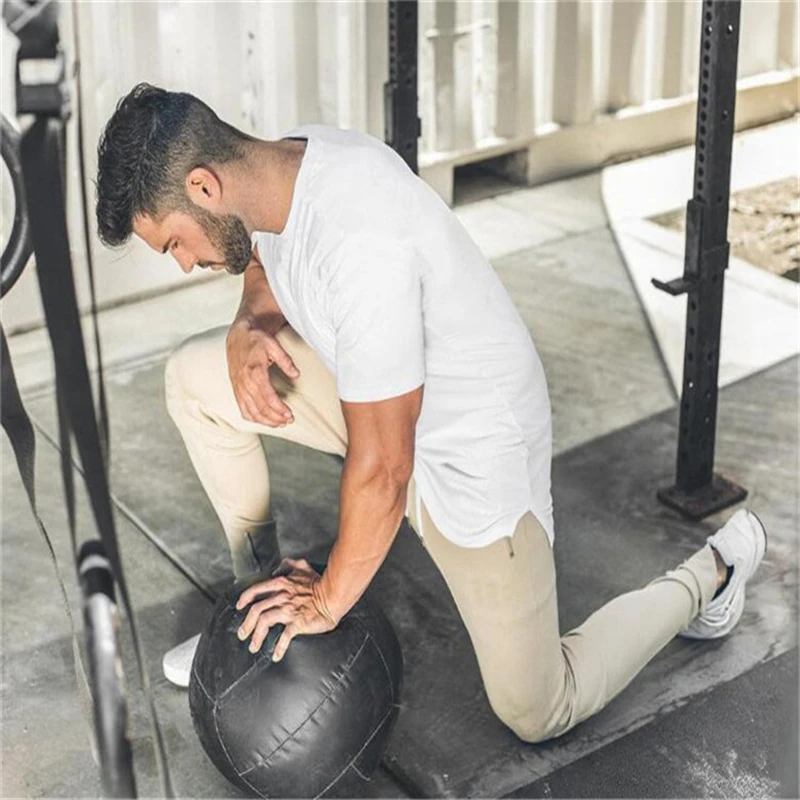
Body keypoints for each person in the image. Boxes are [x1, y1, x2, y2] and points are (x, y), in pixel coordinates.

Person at [94, 84, 766, 743]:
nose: (185, 264)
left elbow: (386, 468)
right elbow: (263, 256)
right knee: (193, 381)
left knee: (537, 707)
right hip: (383, 401)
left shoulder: (358, 237)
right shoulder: (275, 172)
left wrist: (325, 600)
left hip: (472, 452)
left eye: (174, 243)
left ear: (205, 187)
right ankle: (258, 613)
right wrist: (250, 322)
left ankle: (711, 574)